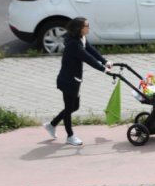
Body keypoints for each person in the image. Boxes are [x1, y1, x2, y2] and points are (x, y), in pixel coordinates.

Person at [43, 17, 112, 146]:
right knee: (69, 108)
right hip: (68, 80)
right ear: (79, 29)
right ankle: (70, 136)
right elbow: (88, 58)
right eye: (87, 26)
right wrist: (103, 69)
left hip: (75, 79)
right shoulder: (74, 44)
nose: (89, 28)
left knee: (75, 106)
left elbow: (91, 50)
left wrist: (104, 61)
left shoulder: (81, 38)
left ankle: (51, 125)